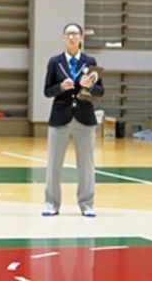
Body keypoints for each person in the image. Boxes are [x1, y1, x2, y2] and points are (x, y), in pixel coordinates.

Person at [42, 22, 104, 217]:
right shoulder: (54, 62)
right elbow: (47, 91)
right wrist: (61, 87)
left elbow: (100, 91)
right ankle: (51, 204)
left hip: (84, 118)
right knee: (54, 165)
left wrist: (90, 86)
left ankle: (87, 205)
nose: (72, 37)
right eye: (68, 34)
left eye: (76, 33)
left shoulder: (90, 61)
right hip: (60, 117)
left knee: (86, 165)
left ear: (81, 38)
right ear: (63, 37)